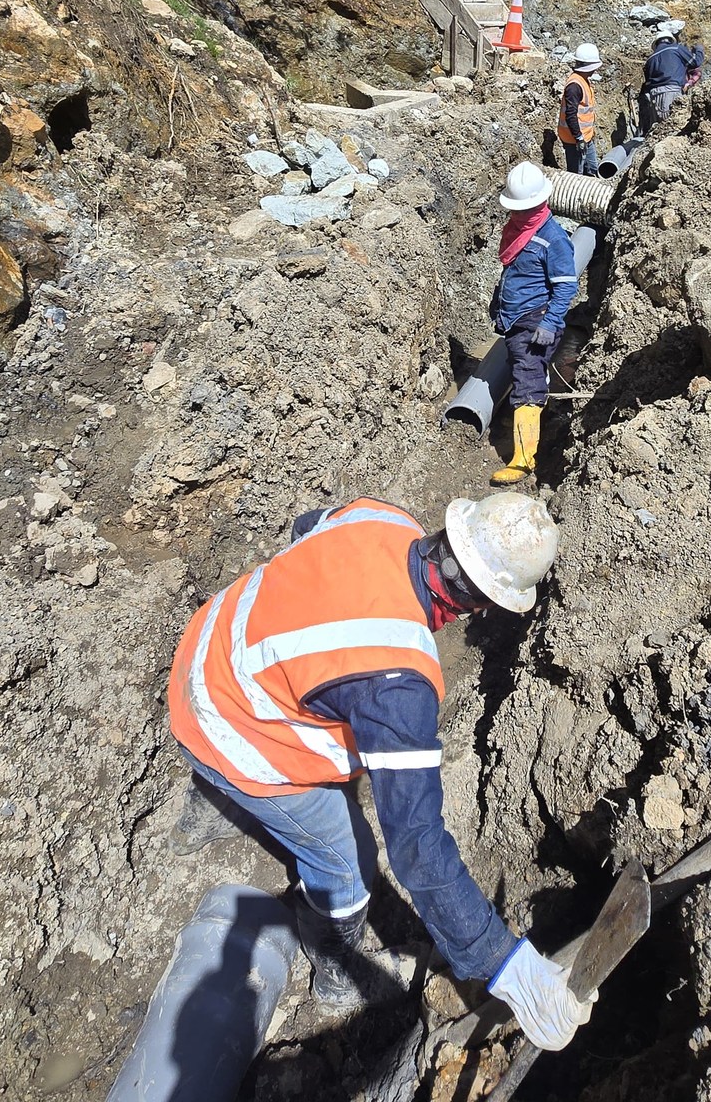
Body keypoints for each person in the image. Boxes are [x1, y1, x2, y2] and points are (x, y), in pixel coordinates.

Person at [165, 491, 596, 1053]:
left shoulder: (383, 518)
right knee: (348, 863)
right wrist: (502, 961)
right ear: (484, 604)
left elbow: (305, 526)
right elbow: (417, 847)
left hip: (207, 651)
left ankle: (204, 813)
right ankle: (335, 969)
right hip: (234, 732)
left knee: (310, 712)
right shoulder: (398, 681)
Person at [489, 162, 577, 485]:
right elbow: (514, 273)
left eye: (524, 208)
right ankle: (539, 413)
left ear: (540, 203)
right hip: (517, 320)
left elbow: (566, 285)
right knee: (523, 369)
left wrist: (550, 323)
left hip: (536, 320)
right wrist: (499, 304)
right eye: (515, 209)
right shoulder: (519, 231)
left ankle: (524, 459)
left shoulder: (553, 239)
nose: (518, 214)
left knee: (527, 380)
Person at [639, 28, 704, 135]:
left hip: (653, 97)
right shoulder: (677, 49)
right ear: (670, 40)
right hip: (671, 92)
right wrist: (699, 49)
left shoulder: (650, 58)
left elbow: (647, 83)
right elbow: (695, 62)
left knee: (658, 132)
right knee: (674, 130)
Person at [558, 45, 601, 178]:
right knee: (576, 175)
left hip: (586, 137)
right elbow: (571, 115)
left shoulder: (583, 80)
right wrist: (578, 138)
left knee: (593, 169)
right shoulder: (574, 86)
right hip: (574, 140)